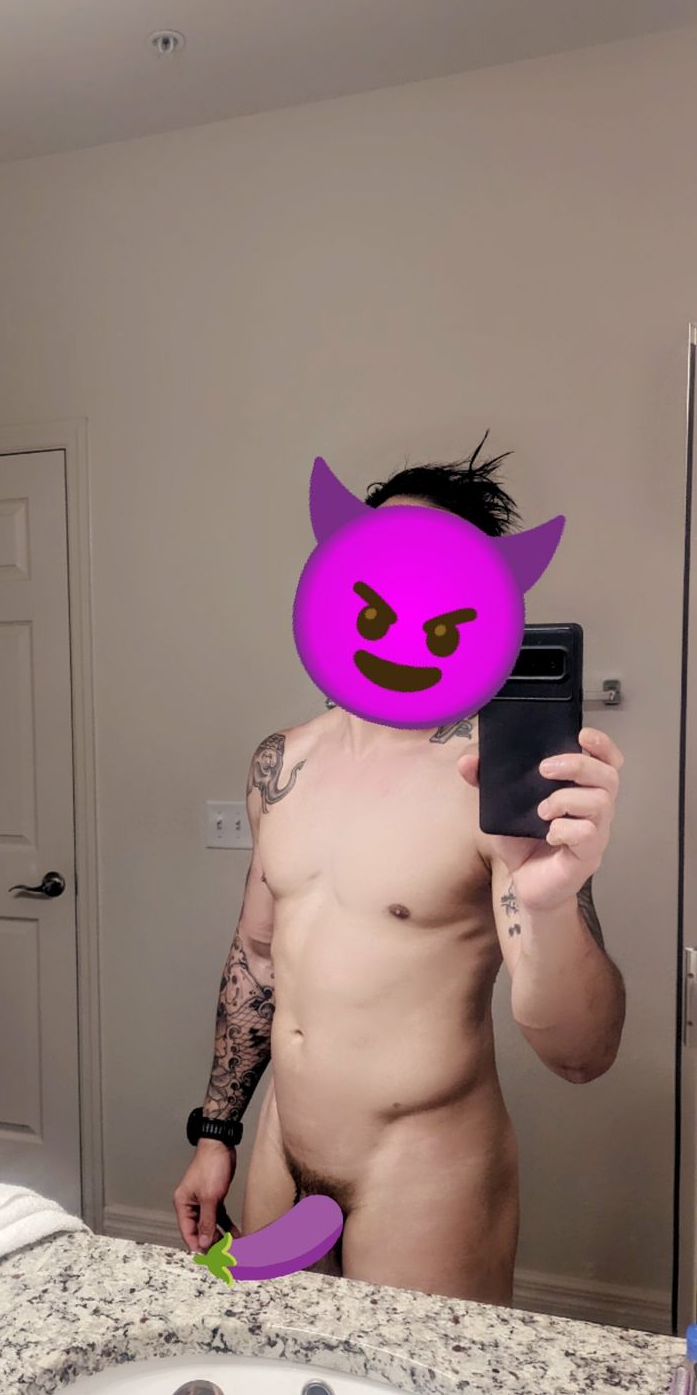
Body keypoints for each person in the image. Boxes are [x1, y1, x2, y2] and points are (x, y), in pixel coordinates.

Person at [173, 443, 626, 1302]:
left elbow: (581, 1054)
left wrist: (550, 905)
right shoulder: (282, 761)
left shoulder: (496, 780)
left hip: (423, 1180)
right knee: (271, 1379)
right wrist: (215, 1132)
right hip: (278, 1158)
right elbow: (256, 961)